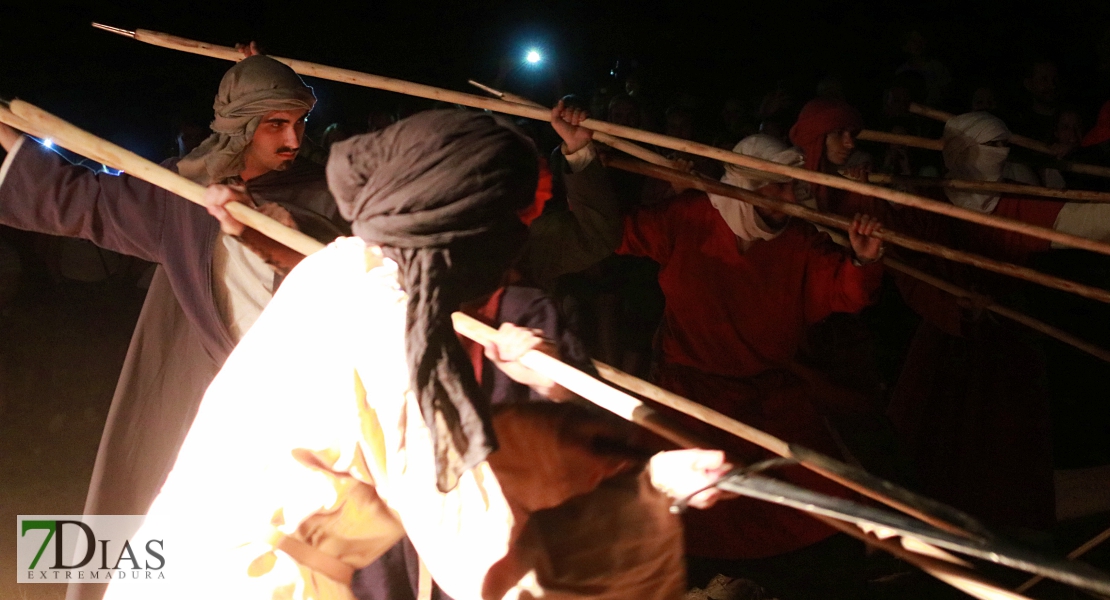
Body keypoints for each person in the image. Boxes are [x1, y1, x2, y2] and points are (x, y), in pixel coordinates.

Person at [104, 109, 733, 600]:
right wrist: (649, 493)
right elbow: (490, 565)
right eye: (513, 220)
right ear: (465, 226)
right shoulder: (396, 336)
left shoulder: (347, 266)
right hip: (256, 580)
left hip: (186, 558)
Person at [0, 53, 346, 600]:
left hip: (302, 407)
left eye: (299, 122)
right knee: (157, 529)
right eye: (275, 124)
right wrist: (12, 141)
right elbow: (85, 200)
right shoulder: (184, 200)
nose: (293, 139)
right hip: (208, 396)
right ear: (240, 126)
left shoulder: (328, 197)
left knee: (297, 552)